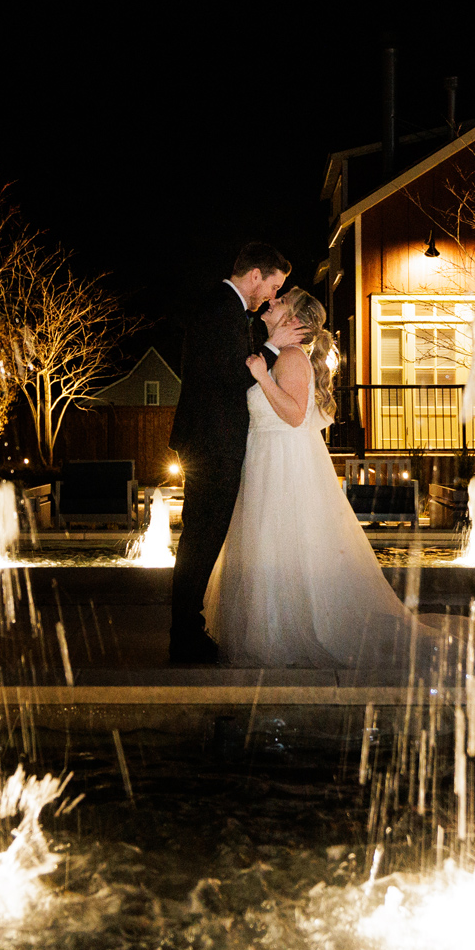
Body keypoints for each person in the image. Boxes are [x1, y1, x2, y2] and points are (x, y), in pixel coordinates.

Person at [204, 287, 449, 667]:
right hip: (266, 457)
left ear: (295, 321)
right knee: (268, 544)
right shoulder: (280, 352)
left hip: (282, 462)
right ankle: (270, 630)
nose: (272, 302)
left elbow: (295, 414)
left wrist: (260, 377)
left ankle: (282, 636)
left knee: (279, 542)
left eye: (280, 301)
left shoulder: (290, 358)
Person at [166, 243, 302, 666]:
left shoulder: (225, 308)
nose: (271, 296)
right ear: (256, 275)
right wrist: (274, 345)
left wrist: (265, 337)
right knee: (201, 540)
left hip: (211, 441)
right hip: (212, 444)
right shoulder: (221, 308)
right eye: (274, 285)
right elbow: (230, 374)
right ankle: (185, 636)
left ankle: (189, 628)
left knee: (202, 539)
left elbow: (231, 361)